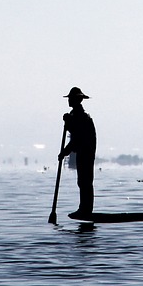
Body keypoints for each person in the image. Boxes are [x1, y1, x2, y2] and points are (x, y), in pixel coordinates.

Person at [59, 86, 96, 219]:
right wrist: (69, 123)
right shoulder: (75, 115)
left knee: (85, 181)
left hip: (86, 153)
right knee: (82, 182)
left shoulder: (82, 116)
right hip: (82, 152)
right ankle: (84, 208)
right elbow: (74, 132)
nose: (69, 101)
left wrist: (64, 152)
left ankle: (86, 209)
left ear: (77, 100)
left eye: (71, 98)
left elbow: (77, 137)